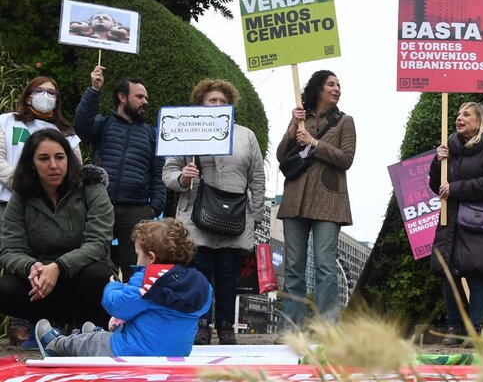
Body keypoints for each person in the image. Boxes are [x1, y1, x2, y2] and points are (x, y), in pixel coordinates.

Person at [163, 79, 266, 345]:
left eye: (223, 101)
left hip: (234, 216)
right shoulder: (187, 131)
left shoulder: (246, 136)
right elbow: (169, 172)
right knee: (199, 271)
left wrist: (255, 214)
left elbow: (257, 176)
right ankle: (201, 323)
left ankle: (226, 325)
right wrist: (183, 178)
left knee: (227, 272)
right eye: (212, 100)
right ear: (201, 104)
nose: (218, 105)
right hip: (196, 216)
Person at [34, 219, 212, 357]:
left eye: (137, 254)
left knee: (88, 342)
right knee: (134, 327)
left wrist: (113, 286)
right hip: (175, 354)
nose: (136, 260)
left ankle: (55, 344)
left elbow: (117, 306)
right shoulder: (197, 282)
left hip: (132, 352)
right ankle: (103, 334)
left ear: (151, 257)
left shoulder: (149, 280)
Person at [0, 129, 115, 332]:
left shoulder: (92, 188)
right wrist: (31, 268)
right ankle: (44, 327)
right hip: (41, 280)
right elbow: (10, 249)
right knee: (6, 287)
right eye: (43, 158)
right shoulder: (20, 197)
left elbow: (98, 243)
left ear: (69, 159)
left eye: (60, 157)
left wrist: (59, 267)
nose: (53, 165)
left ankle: (86, 327)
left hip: (82, 274)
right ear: (32, 164)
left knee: (99, 276)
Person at [0, 76, 83, 344]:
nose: (45, 96)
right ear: (27, 94)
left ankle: (55, 320)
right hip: (10, 200)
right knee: (17, 260)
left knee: (54, 258)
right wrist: (29, 182)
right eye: (40, 91)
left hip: (53, 203)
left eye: (52, 93)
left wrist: (45, 184)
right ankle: (19, 320)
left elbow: (76, 167)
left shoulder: (66, 132)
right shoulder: (6, 121)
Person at [276, 70, 355, 325]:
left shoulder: (345, 121)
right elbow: (281, 156)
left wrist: (315, 143)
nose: (337, 88)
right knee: (293, 267)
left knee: (325, 267)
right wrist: (292, 128)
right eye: (331, 84)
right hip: (295, 198)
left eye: (339, 85)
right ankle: (291, 327)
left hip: (329, 201)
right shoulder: (301, 120)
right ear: (318, 89)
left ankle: (327, 328)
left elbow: (346, 159)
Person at [74, 65, 165, 281]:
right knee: (92, 262)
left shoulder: (152, 135)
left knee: (136, 270)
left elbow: (157, 173)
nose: (146, 102)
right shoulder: (104, 124)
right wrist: (94, 90)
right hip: (100, 205)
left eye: (146, 97)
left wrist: (154, 208)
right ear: (122, 97)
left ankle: (129, 314)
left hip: (137, 210)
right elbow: (82, 126)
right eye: (140, 96)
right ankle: (92, 314)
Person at [430, 101, 483, 344]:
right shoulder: (449, 148)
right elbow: (436, 186)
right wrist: (436, 161)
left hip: (478, 221)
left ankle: (474, 330)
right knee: (449, 274)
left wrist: (456, 188)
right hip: (450, 219)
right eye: (458, 114)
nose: (459, 118)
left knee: (476, 274)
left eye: (466, 114)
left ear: (479, 121)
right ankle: (453, 328)